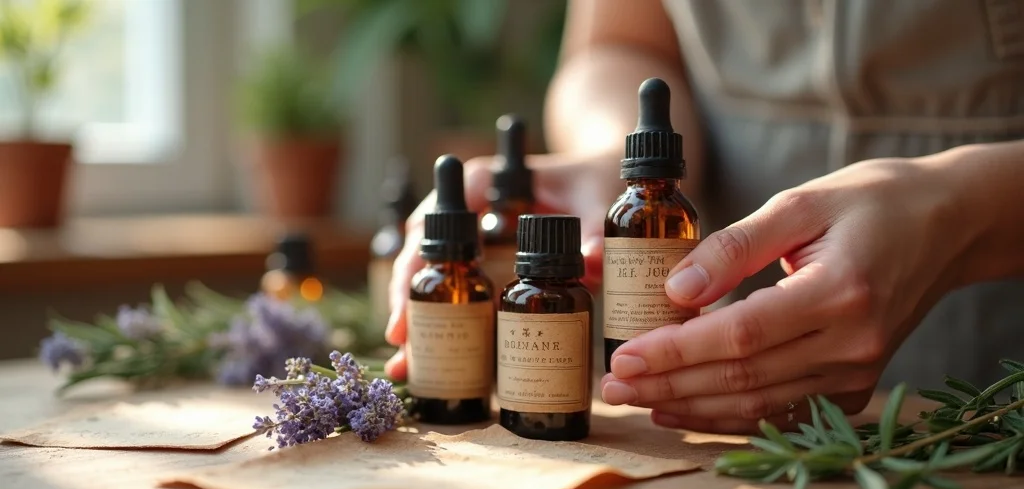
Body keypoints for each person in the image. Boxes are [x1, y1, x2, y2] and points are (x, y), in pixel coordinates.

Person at [382, 0, 1024, 434]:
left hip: (994, 400)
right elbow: (618, 44)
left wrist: (963, 211)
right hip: (719, 410)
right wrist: (613, 153)